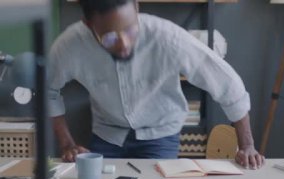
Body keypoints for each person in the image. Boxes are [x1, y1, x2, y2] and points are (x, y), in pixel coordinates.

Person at [48, 0, 265, 169]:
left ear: (136, 6)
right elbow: (48, 92)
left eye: (130, 30)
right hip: (107, 135)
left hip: (160, 135)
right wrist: (67, 144)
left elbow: (227, 83)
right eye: (110, 38)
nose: (124, 45)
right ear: (89, 25)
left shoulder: (167, 37)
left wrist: (247, 146)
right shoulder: (69, 46)